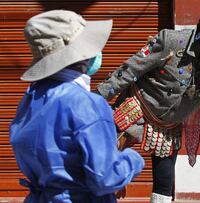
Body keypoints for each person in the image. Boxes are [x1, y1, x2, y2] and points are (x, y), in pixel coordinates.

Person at [95, 11, 200, 202]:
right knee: (101, 159)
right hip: (138, 107)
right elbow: (131, 69)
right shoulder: (171, 41)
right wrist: (96, 97)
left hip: (168, 126)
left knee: (164, 182)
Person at [9, 10, 144, 203]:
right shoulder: (88, 103)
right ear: (82, 56)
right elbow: (106, 178)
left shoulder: (30, 98)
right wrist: (133, 159)